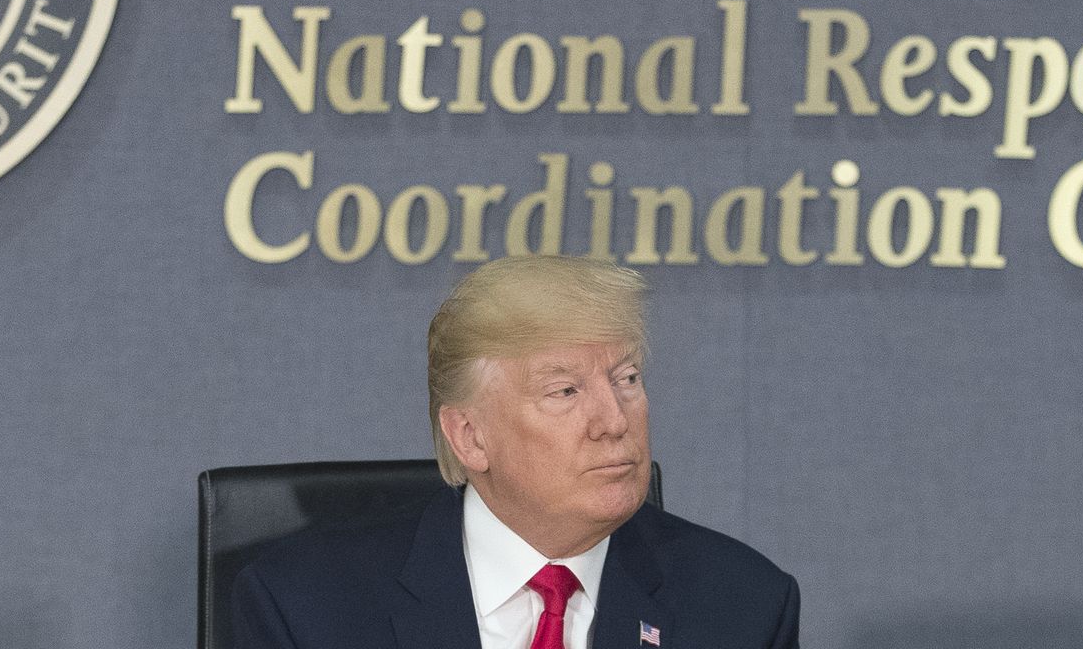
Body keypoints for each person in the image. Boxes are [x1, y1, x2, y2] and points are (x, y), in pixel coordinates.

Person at [233, 255, 801, 649]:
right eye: (565, 391)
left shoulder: (742, 606)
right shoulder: (308, 609)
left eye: (627, 378)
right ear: (471, 437)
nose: (614, 420)